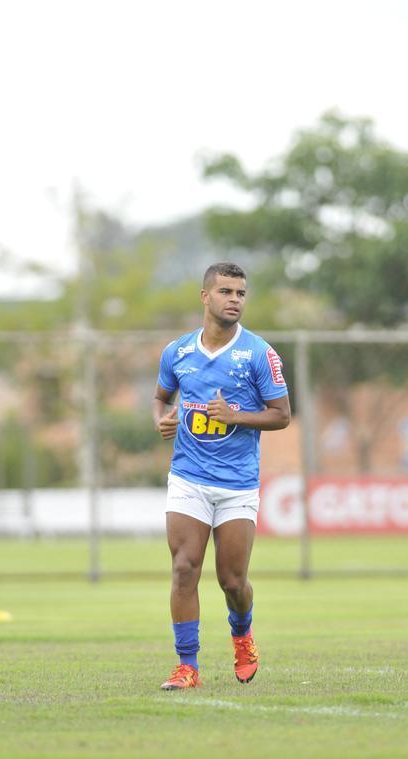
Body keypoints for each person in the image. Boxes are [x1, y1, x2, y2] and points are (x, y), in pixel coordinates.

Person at [153, 262, 290, 690]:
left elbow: (282, 415)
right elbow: (160, 397)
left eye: (241, 293)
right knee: (183, 567)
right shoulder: (177, 352)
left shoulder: (258, 353)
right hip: (188, 477)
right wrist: (162, 420)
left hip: (236, 485)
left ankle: (242, 633)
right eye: (226, 291)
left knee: (232, 581)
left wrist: (236, 416)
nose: (234, 299)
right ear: (205, 296)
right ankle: (187, 665)